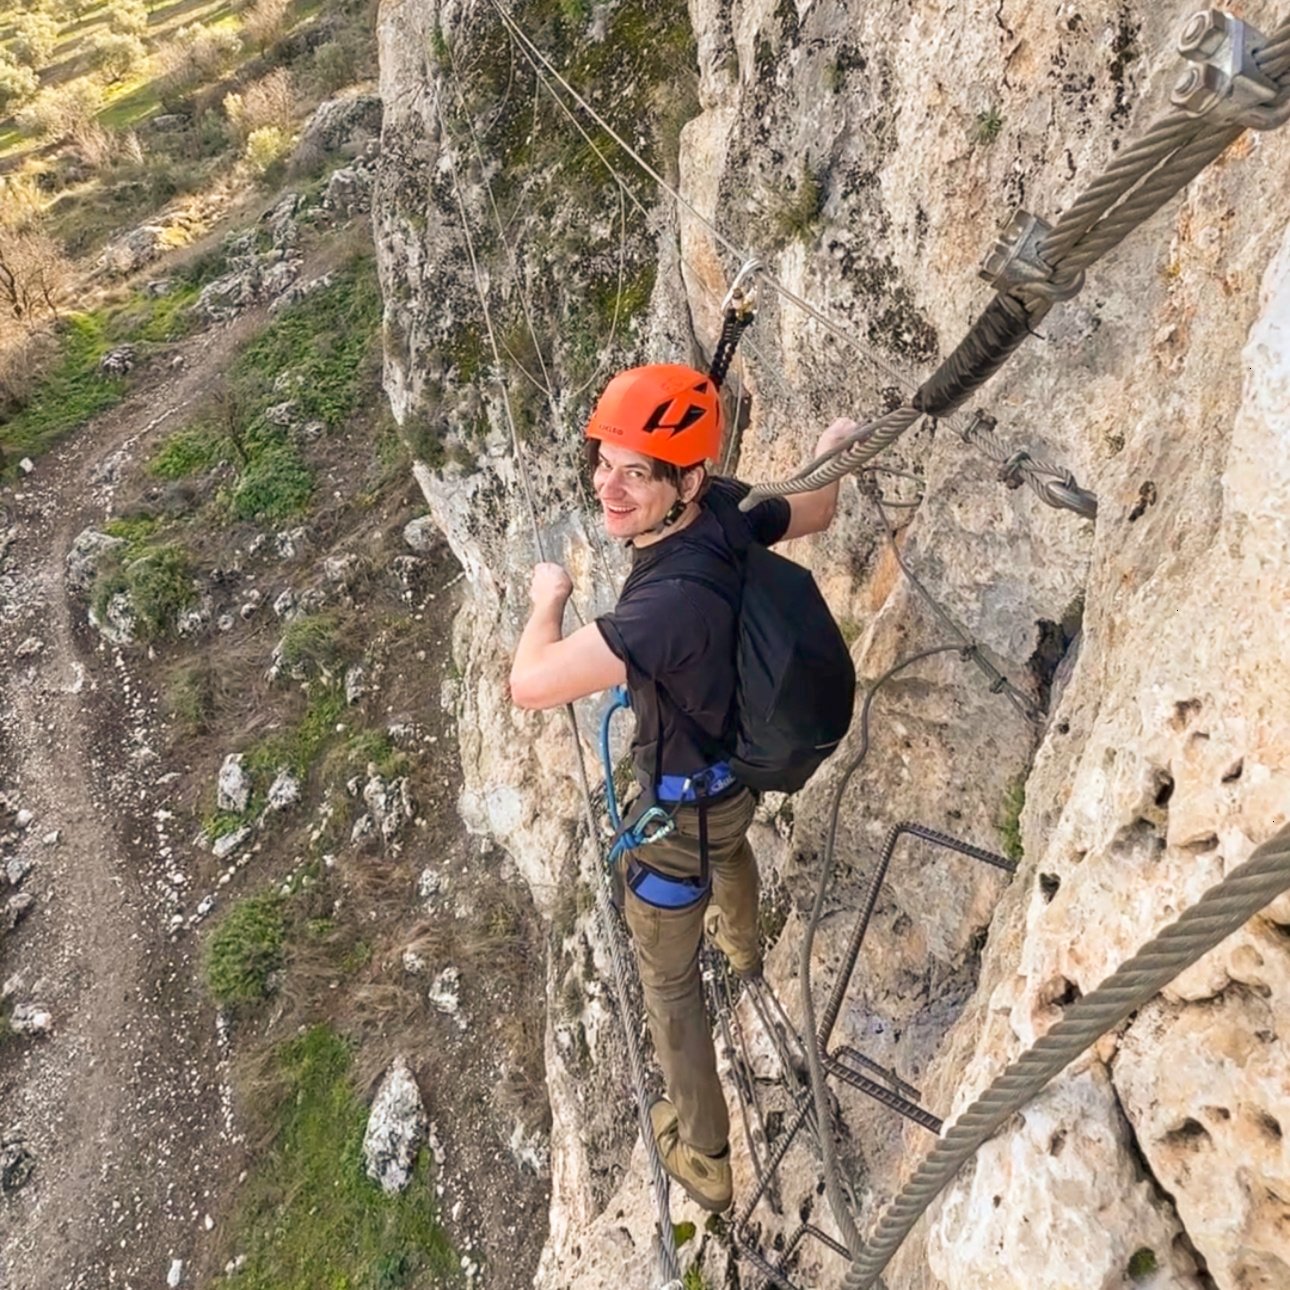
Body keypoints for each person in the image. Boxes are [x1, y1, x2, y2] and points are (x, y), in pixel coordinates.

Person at [510, 363, 853, 1212]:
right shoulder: (728, 509)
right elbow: (815, 507)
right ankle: (743, 945)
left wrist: (546, 599)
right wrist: (831, 453)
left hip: (677, 813)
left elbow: (533, 682)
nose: (608, 488)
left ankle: (703, 1151)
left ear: (684, 480)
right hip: (736, 776)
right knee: (729, 846)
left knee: (668, 981)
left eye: (636, 472)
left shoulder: (664, 608)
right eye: (604, 461)